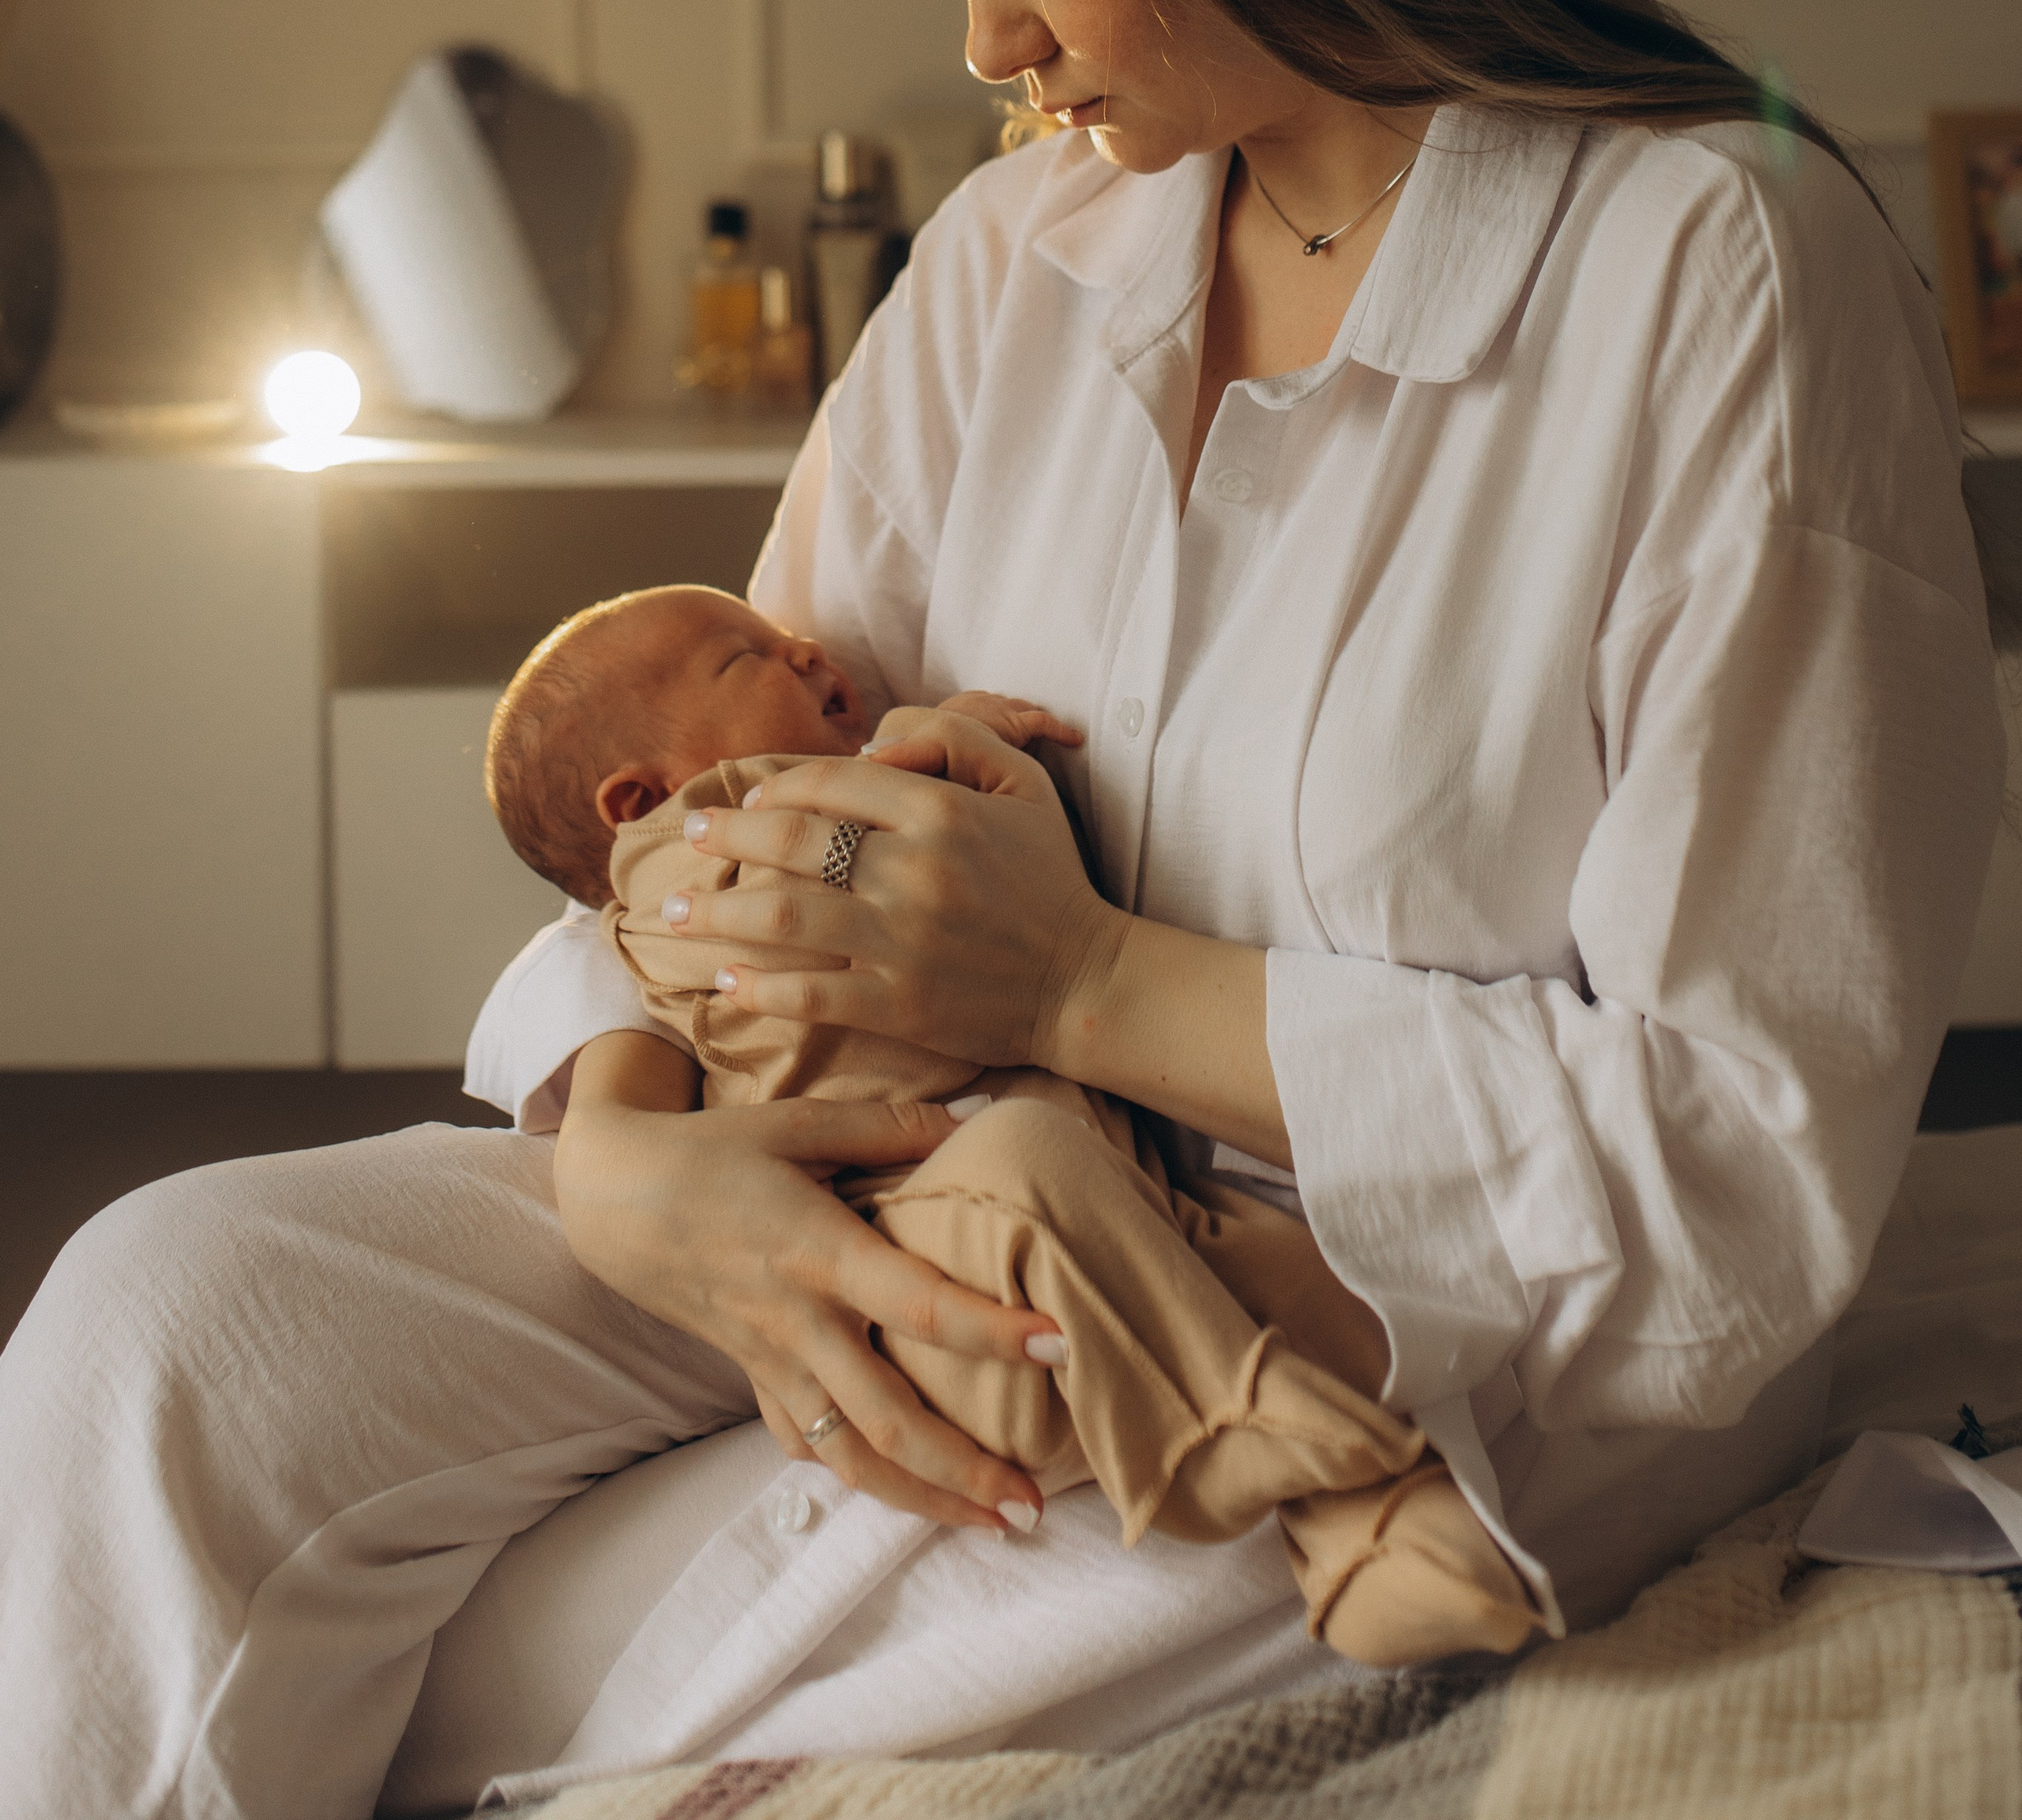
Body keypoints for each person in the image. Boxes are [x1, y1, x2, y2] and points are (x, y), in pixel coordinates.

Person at [0, 0, 2004, 1820]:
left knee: (509, 1651)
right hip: (847, 1155)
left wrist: (1084, 990)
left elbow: (1738, 1163)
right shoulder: (1015, 263)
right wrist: (635, 1147)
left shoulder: (1722, 278)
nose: (987, 52)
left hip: (1356, 1313)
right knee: (158, 1326)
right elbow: (720, 769)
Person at [482, 582, 1542, 1664]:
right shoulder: (688, 873)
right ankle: (1251, 1450)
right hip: (926, 1277)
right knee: (1024, 1158)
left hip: (1106, 1221)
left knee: (1324, 1283)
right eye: (741, 657)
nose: (803, 647)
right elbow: (859, 893)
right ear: (638, 801)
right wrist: (932, 743)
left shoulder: (771, 813)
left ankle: (1380, 1534)